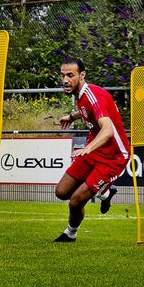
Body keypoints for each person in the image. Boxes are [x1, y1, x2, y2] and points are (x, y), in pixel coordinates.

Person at [53, 58, 131, 244]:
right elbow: (87, 110)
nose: (65, 80)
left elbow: (108, 129)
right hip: (94, 151)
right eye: (63, 75)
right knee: (61, 192)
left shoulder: (93, 95)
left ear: (82, 75)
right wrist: (72, 116)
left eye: (70, 75)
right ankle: (105, 192)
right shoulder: (81, 95)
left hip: (114, 156)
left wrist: (87, 148)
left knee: (75, 200)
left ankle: (70, 234)